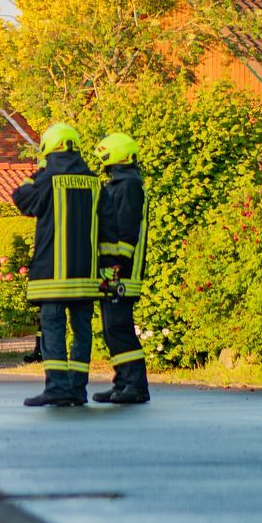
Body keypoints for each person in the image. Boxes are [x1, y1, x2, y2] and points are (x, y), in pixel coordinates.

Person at [14, 123, 101, 407]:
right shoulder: (94, 181)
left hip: (53, 275)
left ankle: (56, 387)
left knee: (52, 327)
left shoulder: (48, 179)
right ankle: (77, 389)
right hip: (86, 275)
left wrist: (37, 173)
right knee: (82, 329)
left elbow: (21, 199)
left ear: (48, 149)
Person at [93, 132, 151, 405]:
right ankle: (122, 382)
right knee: (110, 327)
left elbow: (127, 230)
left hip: (122, 271)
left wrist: (117, 265)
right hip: (111, 268)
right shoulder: (119, 184)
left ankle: (136, 386)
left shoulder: (129, 186)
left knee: (119, 325)